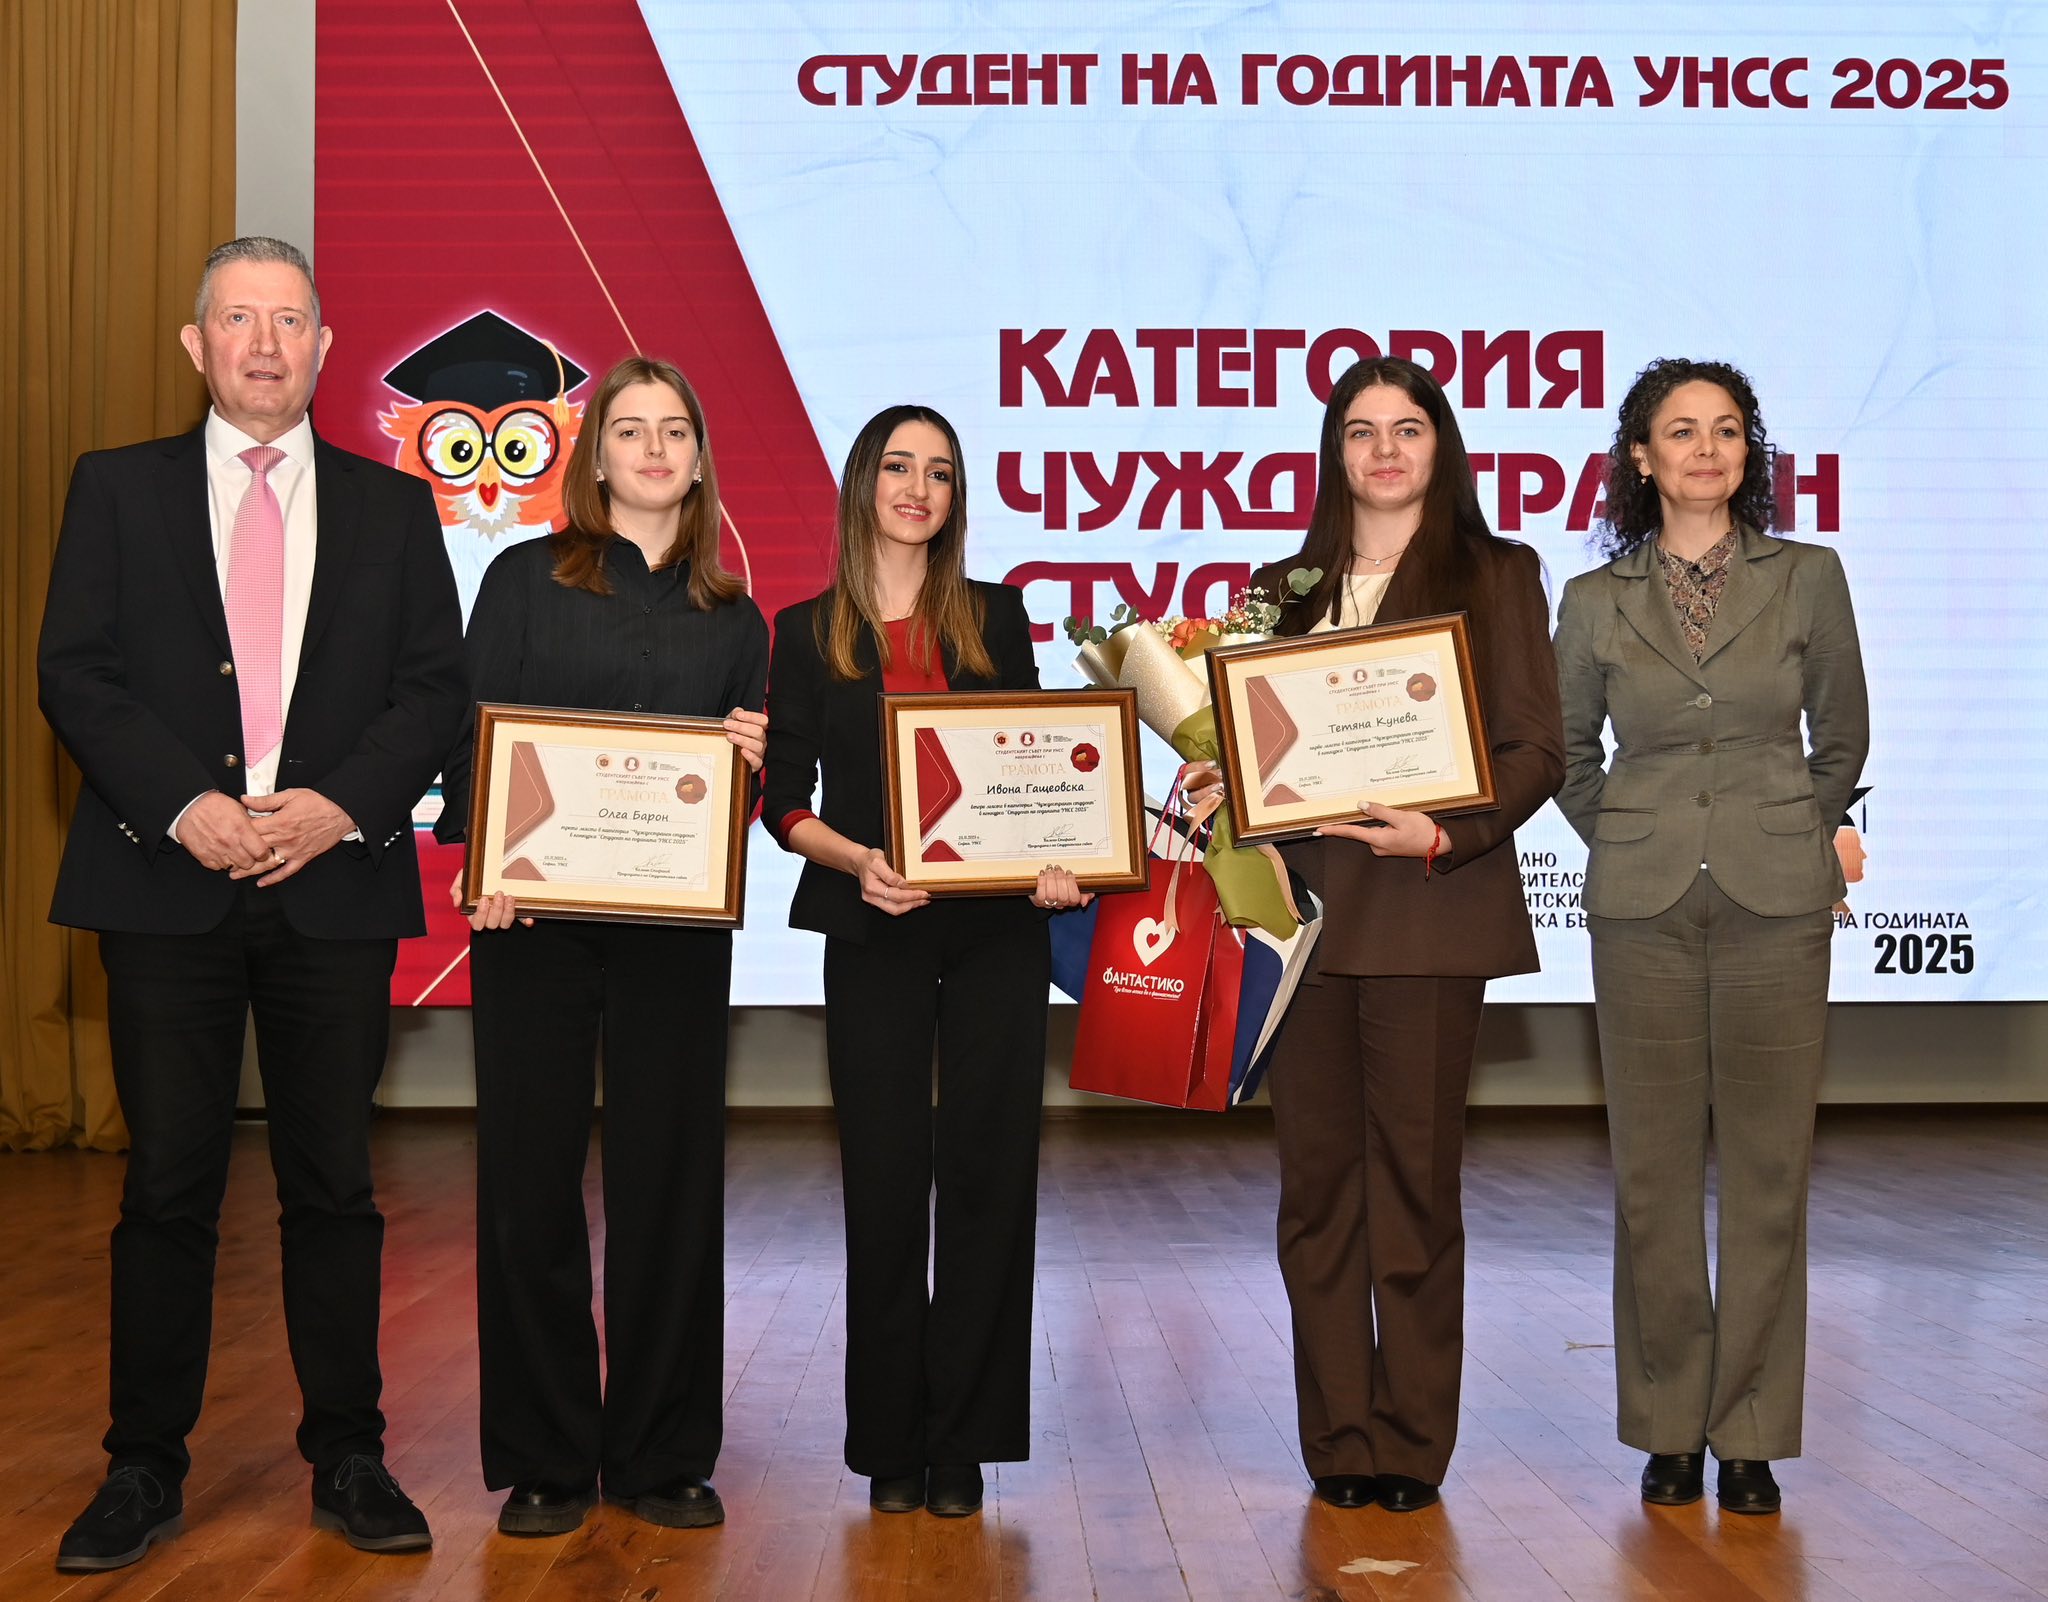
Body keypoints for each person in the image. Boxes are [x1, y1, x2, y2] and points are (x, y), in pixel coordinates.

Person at [37, 237, 468, 1570]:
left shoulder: (394, 508)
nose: (265, 344)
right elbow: (76, 672)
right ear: (197, 344)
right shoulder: (115, 489)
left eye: (289, 320)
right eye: (239, 319)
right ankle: (141, 1465)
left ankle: (350, 1453)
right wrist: (187, 804)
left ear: (325, 346)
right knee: (166, 1185)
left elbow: (433, 690)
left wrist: (340, 806)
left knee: (333, 1184)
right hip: (165, 881)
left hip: (333, 886)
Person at [435, 356, 768, 1536]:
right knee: (528, 1182)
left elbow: (729, 796)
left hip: (672, 934)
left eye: (674, 430)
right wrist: (482, 860)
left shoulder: (735, 617)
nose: (654, 449)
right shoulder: (523, 580)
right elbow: (472, 733)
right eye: (630, 430)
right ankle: (545, 1459)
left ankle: (662, 1455)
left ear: (699, 457)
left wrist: (749, 762)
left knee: (669, 1184)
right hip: (533, 922)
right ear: (595, 455)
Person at [1244, 357, 1563, 1514]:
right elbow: (1250, 758)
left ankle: (1410, 1443)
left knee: (1415, 1195)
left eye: (1407, 428)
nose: (1383, 450)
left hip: (1428, 913)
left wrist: (1444, 831)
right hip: (1304, 931)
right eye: (1360, 430)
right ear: (1332, 452)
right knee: (1314, 1197)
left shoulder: (1494, 572)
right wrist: (1217, 781)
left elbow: (1535, 748)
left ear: (1441, 446)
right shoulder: (1278, 590)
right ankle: (1338, 1441)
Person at [1552, 358, 1868, 1514]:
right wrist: (1634, 831)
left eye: (1724, 430)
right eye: (1678, 431)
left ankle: (1748, 1434)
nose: (1703, 449)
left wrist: (1784, 829)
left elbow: (1840, 739)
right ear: (1639, 457)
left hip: (1774, 900)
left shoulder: (1808, 576)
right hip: (1638, 906)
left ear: (1748, 454)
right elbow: (1569, 757)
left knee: (1769, 1175)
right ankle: (1666, 1427)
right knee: (1650, 1175)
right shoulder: (1593, 598)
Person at [762, 405, 1086, 1519]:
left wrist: (1060, 857)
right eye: (898, 466)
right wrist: (857, 861)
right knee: (885, 1180)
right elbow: (782, 803)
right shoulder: (806, 629)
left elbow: (1036, 769)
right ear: (863, 483)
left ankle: (966, 1441)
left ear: (955, 499)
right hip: (875, 926)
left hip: (996, 931)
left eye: (939, 472)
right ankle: (890, 1439)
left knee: (991, 1177)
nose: (917, 487)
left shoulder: (996, 615)